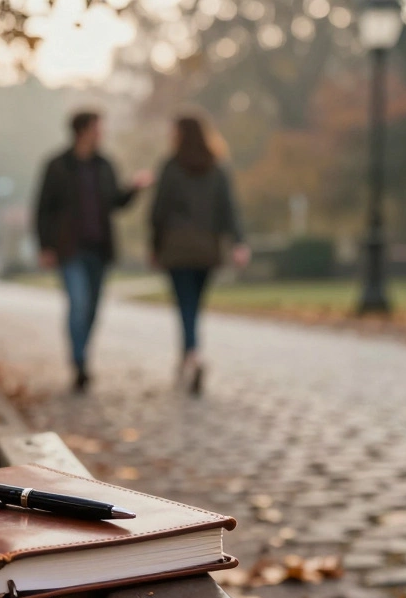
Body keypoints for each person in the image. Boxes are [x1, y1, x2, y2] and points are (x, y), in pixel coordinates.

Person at [35, 110, 151, 393]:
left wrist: (135, 188)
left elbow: (115, 203)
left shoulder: (104, 165)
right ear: (83, 130)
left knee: (92, 311)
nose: (102, 133)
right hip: (69, 249)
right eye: (98, 128)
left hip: (99, 249)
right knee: (78, 304)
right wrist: (45, 246)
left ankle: (82, 355)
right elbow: (42, 209)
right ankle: (79, 363)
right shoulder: (57, 166)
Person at [150, 115, 250, 396]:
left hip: (177, 248)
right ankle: (190, 354)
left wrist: (155, 246)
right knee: (194, 305)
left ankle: (190, 355)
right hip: (207, 248)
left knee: (185, 304)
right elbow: (229, 209)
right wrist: (238, 242)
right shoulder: (217, 168)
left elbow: (159, 212)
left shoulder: (171, 167)